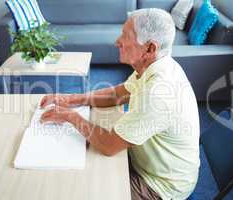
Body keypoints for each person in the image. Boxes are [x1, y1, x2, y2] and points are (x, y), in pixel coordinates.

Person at [40, 8, 200, 200]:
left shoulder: (158, 93)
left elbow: (109, 146)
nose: (117, 42)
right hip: (145, 162)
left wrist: (70, 116)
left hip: (159, 186)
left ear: (150, 48)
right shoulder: (154, 67)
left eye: (125, 36)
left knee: (81, 188)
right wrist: (70, 99)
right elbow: (118, 94)